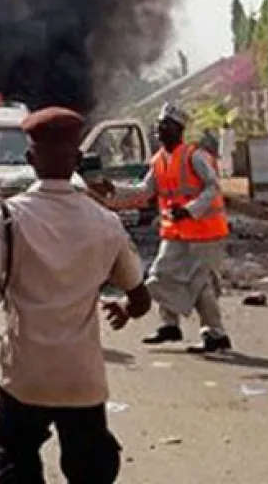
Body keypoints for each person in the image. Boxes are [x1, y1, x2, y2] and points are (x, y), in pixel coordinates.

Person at [0, 107, 153, 484]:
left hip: (25, 377)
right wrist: (126, 309)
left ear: (30, 159)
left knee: (16, 464)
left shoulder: (5, 217)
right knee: (91, 472)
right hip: (81, 380)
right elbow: (141, 297)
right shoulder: (106, 222)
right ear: (79, 160)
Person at [96, 103, 232, 353]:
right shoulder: (158, 161)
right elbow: (143, 192)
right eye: (158, 126)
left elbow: (213, 187)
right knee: (161, 273)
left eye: (165, 126)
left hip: (205, 232)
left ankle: (215, 334)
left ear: (178, 130)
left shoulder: (195, 156)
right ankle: (169, 326)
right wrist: (113, 190)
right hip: (176, 233)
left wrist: (190, 210)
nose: (159, 130)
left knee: (200, 284)